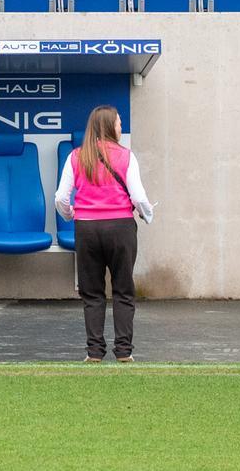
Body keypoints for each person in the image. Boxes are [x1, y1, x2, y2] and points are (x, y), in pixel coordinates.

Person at [57, 103, 155, 363]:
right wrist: (148, 215)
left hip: (87, 228)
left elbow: (60, 198)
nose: (121, 127)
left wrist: (72, 215)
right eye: (119, 123)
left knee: (92, 293)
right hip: (120, 227)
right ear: (110, 127)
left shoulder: (76, 156)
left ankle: (94, 353)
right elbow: (137, 195)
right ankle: (123, 352)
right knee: (123, 289)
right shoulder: (126, 156)